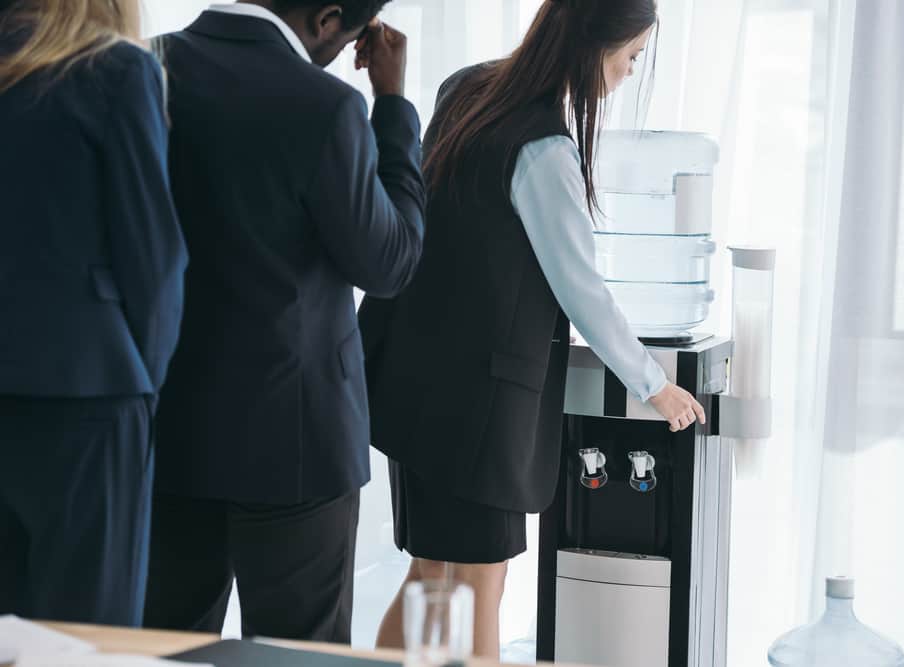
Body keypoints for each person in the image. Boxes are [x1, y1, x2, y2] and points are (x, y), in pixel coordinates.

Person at [360, 0, 706, 657]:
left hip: (417, 388)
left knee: (429, 580)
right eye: (630, 56)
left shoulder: (467, 88)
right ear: (592, 46)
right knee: (475, 589)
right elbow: (580, 288)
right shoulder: (543, 148)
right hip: (478, 413)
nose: (631, 71)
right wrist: (652, 384)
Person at [141, 0, 424, 643]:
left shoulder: (140, 67)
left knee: (164, 648)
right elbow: (390, 262)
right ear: (327, 19)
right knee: (300, 654)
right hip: (296, 436)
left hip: (168, 424)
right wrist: (392, 103)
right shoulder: (325, 106)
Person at [0, 0, 187, 626]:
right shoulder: (113, 68)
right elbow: (154, 259)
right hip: (89, 391)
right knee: (88, 638)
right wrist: (145, 385)